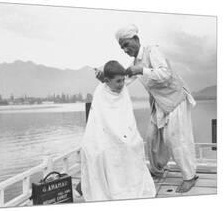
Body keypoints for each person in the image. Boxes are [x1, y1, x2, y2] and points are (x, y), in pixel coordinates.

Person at [96, 24, 198, 193]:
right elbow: (121, 83)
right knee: (151, 138)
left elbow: (165, 74)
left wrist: (142, 70)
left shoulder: (152, 52)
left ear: (136, 39)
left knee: (177, 140)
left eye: (127, 44)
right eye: (122, 47)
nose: (125, 49)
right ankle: (157, 170)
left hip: (175, 100)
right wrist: (104, 79)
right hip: (159, 104)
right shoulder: (134, 64)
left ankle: (190, 177)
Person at [80, 60, 156, 202]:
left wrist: (124, 137)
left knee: (134, 145)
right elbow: (99, 122)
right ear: (107, 81)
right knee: (103, 152)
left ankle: (130, 186)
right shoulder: (100, 93)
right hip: (105, 137)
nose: (122, 84)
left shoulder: (123, 90)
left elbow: (126, 118)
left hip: (124, 135)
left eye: (123, 80)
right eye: (118, 81)